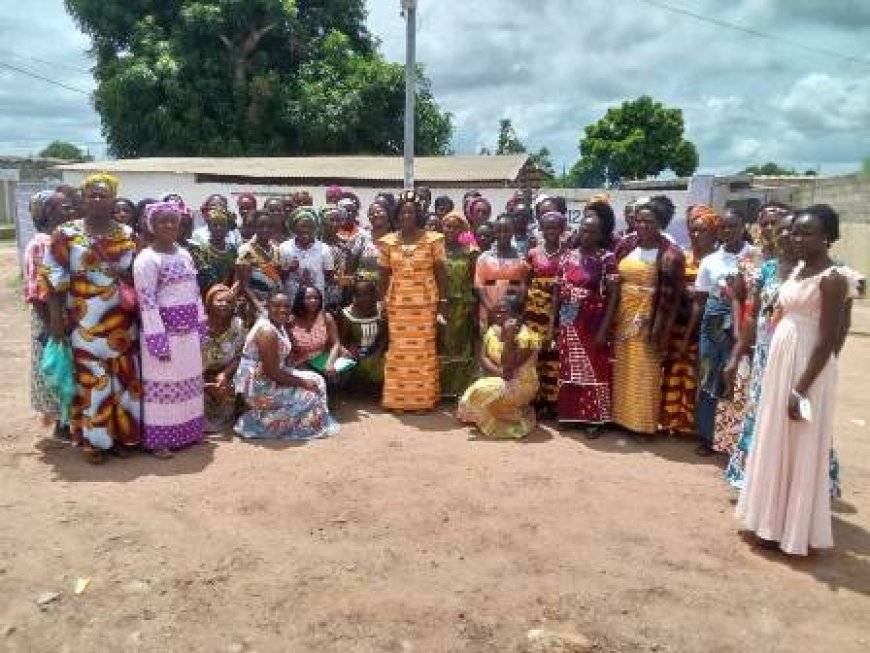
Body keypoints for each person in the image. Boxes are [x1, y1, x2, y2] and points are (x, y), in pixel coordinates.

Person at [736, 205, 850, 556]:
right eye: (796, 232)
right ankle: (768, 522)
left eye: (808, 233)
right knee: (774, 437)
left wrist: (800, 389)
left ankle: (792, 529)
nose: (797, 238)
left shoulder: (833, 278)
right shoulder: (799, 269)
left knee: (800, 441)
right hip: (781, 358)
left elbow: (829, 339)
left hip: (808, 367)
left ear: (827, 236)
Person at [42, 173, 142, 464]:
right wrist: (56, 321)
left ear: (113, 199)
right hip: (84, 324)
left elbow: (137, 274)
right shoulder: (66, 233)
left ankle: (124, 436)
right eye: (91, 195)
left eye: (103, 195)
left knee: (124, 380)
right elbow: (51, 278)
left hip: (122, 323)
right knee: (93, 381)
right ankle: (95, 443)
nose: (97, 199)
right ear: (83, 200)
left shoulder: (127, 233)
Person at [133, 202, 206, 457]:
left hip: (189, 332)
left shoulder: (184, 254)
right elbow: (147, 301)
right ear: (152, 225)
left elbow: (195, 292)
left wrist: (200, 325)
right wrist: (157, 339)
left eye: (172, 221)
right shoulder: (146, 259)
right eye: (162, 221)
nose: (168, 226)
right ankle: (160, 440)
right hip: (164, 333)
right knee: (164, 385)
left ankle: (190, 432)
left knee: (189, 382)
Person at [687, 208, 759, 455]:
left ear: (743, 227)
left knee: (739, 377)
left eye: (733, 226)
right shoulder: (710, 261)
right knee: (709, 377)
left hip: (747, 320)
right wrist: (691, 333)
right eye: (723, 227)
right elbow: (700, 299)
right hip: (714, 322)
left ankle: (735, 439)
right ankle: (707, 436)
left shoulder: (754, 257)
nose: (728, 231)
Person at [611, 200, 686, 436]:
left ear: (660, 224)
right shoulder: (626, 245)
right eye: (639, 221)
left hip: (649, 320)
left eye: (649, 221)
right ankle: (621, 418)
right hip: (622, 315)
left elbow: (673, 298)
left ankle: (642, 424)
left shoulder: (671, 254)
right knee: (623, 367)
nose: (642, 225)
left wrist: (662, 329)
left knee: (646, 370)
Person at [377, 189, 448, 412]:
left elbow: (440, 272)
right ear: (396, 216)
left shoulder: (433, 240)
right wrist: (382, 302)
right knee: (399, 350)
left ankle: (423, 401)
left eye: (411, 212)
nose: (407, 216)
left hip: (425, 304)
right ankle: (398, 400)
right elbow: (382, 275)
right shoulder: (387, 242)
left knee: (424, 351)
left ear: (418, 215)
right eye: (403, 212)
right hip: (398, 304)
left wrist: (443, 302)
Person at [234, 293, 338, 440]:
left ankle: (310, 421)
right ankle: (258, 422)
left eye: (286, 306)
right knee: (310, 396)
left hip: (272, 374)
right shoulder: (267, 332)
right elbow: (272, 373)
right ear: (268, 307)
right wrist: (303, 383)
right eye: (276, 306)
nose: (282, 310)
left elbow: (276, 368)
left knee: (318, 379)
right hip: (258, 385)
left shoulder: (275, 322)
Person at [554, 212, 619, 433]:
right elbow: (557, 291)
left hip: (593, 321)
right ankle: (570, 414)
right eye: (583, 230)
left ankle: (594, 419)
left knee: (594, 368)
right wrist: (554, 323)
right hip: (568, 320)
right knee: (570, 367)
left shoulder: (606, 258)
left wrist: (604, 329)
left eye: (592, 231)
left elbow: (613, 298)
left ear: (600, 235)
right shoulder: (567, 256)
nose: (587, 235)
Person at [660, 205, 718, 436]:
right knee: (675, 370)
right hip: (680, 323)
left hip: (708, 327)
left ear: (714, 233)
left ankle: (694, 426)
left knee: (698, 375)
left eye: (703, 230)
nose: (696, 235)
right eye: (693, 230)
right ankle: (672, 421)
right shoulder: (682, 257)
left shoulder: (720, 261)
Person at [25, 190, 76, 440]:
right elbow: (36, 292)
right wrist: (52, 323)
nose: (71, 211)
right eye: (64, 208)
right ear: (47, 213)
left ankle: (68, 421)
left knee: (69, 365)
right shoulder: (41, 242)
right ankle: (61, 425)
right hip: (50, 316)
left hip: (66, 314)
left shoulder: (65, 238)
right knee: (56, 366)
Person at [457, 296, 541, 439]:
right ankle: (506, 412)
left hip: (522, 384)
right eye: (497, 311)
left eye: (503, 311)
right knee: (473, 392)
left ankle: (511, 415)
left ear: (517, 315)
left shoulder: (526, 337)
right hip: (502, 378)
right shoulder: (493, 330)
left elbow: (509, 366)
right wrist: (500, 372)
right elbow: (483, 357)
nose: (497, 315)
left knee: (479, 391)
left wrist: (509, 338)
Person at [524, 211, 566, 418]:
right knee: (535, 355)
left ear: (562, 229)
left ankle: (552, 402)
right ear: (542, 228)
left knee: (554, 356)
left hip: (559, 311)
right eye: (547, 227)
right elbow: (527, 281)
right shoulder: (533, 253)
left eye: (555, 227)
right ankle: (534, 399)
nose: (551, 231)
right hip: (534, 311)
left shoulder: (569, 253)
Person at [438, 211, 478, 398]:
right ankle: (442, 389)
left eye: (455, 227)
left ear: (462, 229)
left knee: (462, 347)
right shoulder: (436, 250)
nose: (451, 230)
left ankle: (460, 390)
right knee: (443, 345)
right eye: (447, 226)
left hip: (463, 305)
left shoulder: (470, 252)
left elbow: (474, 279)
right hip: (441, 305)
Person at [201, 284, 246, 434]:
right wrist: (205, 384)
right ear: (209, 303)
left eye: (229, 302)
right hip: (198, 375)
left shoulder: (237, 325)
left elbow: (240, 355)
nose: (224, 305)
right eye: (219, 301)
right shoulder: (198, 324)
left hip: (226, 373)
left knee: (229, 391)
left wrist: (225, 375)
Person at [473, 214, 530, 332]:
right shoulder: (484, 258)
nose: (502, 234)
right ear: (494, 232)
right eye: (498, 231)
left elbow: (523, 286)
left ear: (512, 232)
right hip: (489, 308)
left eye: (506, 231)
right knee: (489, 344)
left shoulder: (521, 258)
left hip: (513, 310)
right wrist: (490, 308)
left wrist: (515, 309)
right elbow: (479, 286)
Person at [289, 285, 346, 387]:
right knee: (312, 381)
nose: (313, 301)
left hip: (321, 356)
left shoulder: (326, 317)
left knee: (345, 355)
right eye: (309, 298)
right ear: (300, 300)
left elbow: (336, 343)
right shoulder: (291, 320)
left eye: (316, 298)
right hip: (300, 359)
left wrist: (330, 363)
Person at [338, 278, 387, 393]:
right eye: (361, 295)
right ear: (354, 296)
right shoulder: (347, 314)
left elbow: (385, 336)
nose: (367, 298)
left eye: (370, 293)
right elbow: (341, 340)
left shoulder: (380, 311)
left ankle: (370, 387)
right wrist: (349, 351)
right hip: (356, 354)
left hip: (376, 352)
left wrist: (378, 352)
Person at [280, 209, 335, 303]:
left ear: (315, 228)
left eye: (310, 226)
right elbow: (280, 278)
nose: (306, 230)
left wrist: (312, 282)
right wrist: (289, 269)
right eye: (302, 226)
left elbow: (329, 276)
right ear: (294, 228)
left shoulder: (324, 249)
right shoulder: (284, 247)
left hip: (316, 299)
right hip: (292, 299)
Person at [236, 210, 284, 319]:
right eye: (261, 226)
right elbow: (244, 284)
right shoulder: (246, 250)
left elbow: (277, 278)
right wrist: (258, 305)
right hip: (254, 305)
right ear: (254, 228)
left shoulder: (276, 249)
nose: (265, 229)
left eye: (269, 226)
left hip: (273, 303)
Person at [188, 206, 238, 295]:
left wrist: (230, 292)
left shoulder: (233, 250)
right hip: (207, 295)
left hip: (229, 294)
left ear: (228, 228)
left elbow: (236, 275)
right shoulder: (201, 250)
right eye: (215, 225)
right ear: (209, 227)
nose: (218, 228)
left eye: (222, 225)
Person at [354, 201, 393, 281]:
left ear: (388, 214)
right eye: (372, 213)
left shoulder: (395, 238)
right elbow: (353, 265)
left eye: (379, 212)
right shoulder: (362, 237)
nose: (375, 215)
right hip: (364, 286)